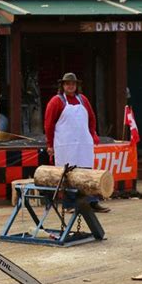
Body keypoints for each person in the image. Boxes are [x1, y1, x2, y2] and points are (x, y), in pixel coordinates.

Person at [44, 72, 110, 212]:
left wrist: (93, 135)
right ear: (62, 85)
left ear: (76, 86)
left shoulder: (83, 100)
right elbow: (49, 124)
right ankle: (69, 205)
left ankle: (92, 202)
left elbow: (92, 119)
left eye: (73, 84)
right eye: (67, 84)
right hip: (65, 145)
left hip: (83, 144)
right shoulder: (56, 101)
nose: (70, 86)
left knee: (87, 173)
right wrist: (50, 144)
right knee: (68, 174)